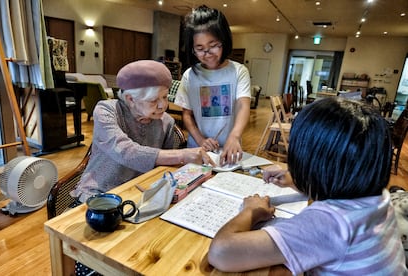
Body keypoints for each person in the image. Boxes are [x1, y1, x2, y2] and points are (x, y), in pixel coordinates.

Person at [208, 97, 407, 274]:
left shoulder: (331, 223)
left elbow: (221, 253)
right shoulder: (377, 196)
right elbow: (337, 188)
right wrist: (299, 182)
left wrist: (251, 211)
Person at [70, 60, 214, 203]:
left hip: (140, 193)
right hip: (99, 194)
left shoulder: (166, 122)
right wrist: (182, 154)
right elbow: (125, 151)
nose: (163, 105)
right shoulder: (107, 111)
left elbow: (164, 169)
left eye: (165, 97)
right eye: (153, 100)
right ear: (130, 99)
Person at [174, 5, 251, 166]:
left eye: (214, 45)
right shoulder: (190, 75)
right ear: (192, 49)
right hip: (198, 149)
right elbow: (187, 115)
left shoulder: (238, 71)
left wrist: (235, 136)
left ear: (224, 41)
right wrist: (201, 140)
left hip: (229, 149)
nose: (207, 54)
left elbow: (243, 106)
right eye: (200, 49)